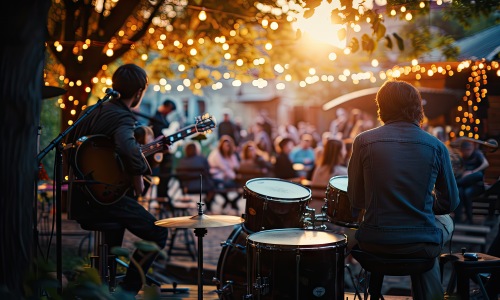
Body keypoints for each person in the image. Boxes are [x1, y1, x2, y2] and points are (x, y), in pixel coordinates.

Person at [347, 80, 459, 299]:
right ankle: (430, 295)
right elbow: (450, 203)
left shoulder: (363, 141)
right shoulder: (436, 146)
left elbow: (356, 199)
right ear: (418, 107)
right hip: (420, 245)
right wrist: (422, 205)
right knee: (444, 222)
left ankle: (373, 290)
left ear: (381, 107)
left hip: (374, 242)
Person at [66, 64, 168, 296]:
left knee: (119, 223)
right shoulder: (123, 117)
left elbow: (77, 148)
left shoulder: (92, 110)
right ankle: (128, 289)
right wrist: (139, 177)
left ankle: (104, 283)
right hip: (105, 201)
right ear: (140, 91)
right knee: (158, 233)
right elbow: (127, 149)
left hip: (81, 198)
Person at [454, 139, 489, 224]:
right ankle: (458, 218)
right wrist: (462, 173)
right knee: (460, 191)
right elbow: (459, 169)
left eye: (468, 150)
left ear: (470, 149)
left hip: (476, 183)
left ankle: (469, 219)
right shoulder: (462, 157)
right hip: (466, 184)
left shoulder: (477, 153)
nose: (465, 153)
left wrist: (472, 172)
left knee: (477, 176)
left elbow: (486, 164)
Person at [149, 99, 178, 198]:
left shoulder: (162, 118)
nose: (170, 112)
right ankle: (161, 197)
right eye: (170, 110)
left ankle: (163, 196)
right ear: (167, 107)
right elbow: (157, 134)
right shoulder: (156, 118)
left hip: (164, 153)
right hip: (159, 153)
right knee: (164, 176)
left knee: (166, 176)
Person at [176, 141, 216, 211]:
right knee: (215, 184)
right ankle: (208, 204)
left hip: (187, 187)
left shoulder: (182, 161)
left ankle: (207, 204)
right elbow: (207, 172)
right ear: (196, 149)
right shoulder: (202, 159)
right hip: (203, 186)